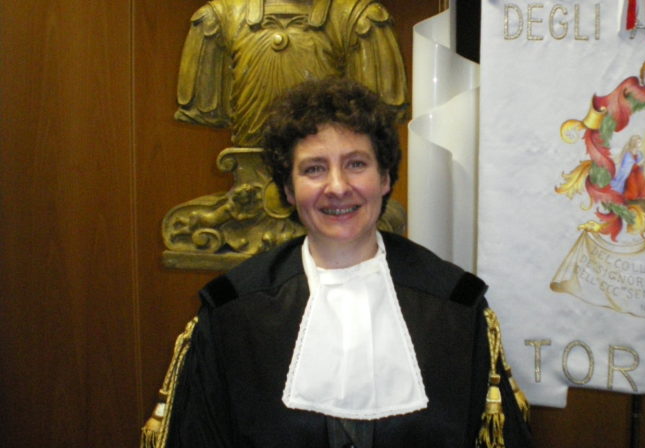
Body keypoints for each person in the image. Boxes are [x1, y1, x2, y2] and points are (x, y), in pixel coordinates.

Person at [143, 78, 533, 448]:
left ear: (385, 178)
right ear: (288, 189)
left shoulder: (455, 307)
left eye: (356, 164)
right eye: (314, 168)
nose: (337, 187)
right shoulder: (232, 313)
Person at [164, 0, 408, 257]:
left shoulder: (360, 22)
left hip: (336, 208)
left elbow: (376, 118)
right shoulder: (217, 23)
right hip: (245, 215)